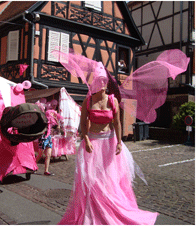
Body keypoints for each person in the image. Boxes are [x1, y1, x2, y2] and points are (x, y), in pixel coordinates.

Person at [58, 62, 158, 224]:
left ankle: (111, 211)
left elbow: (117, 123)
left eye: (104, 80)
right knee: (93, 181)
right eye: (99, 80)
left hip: (109, 144)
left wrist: (119, 142)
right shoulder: (88, 101)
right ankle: (93, 215)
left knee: (109, 181)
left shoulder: (112, 101)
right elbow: (83, 124)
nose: (102, 83)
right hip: (92, 145)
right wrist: (87, 139)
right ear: (94, 82)